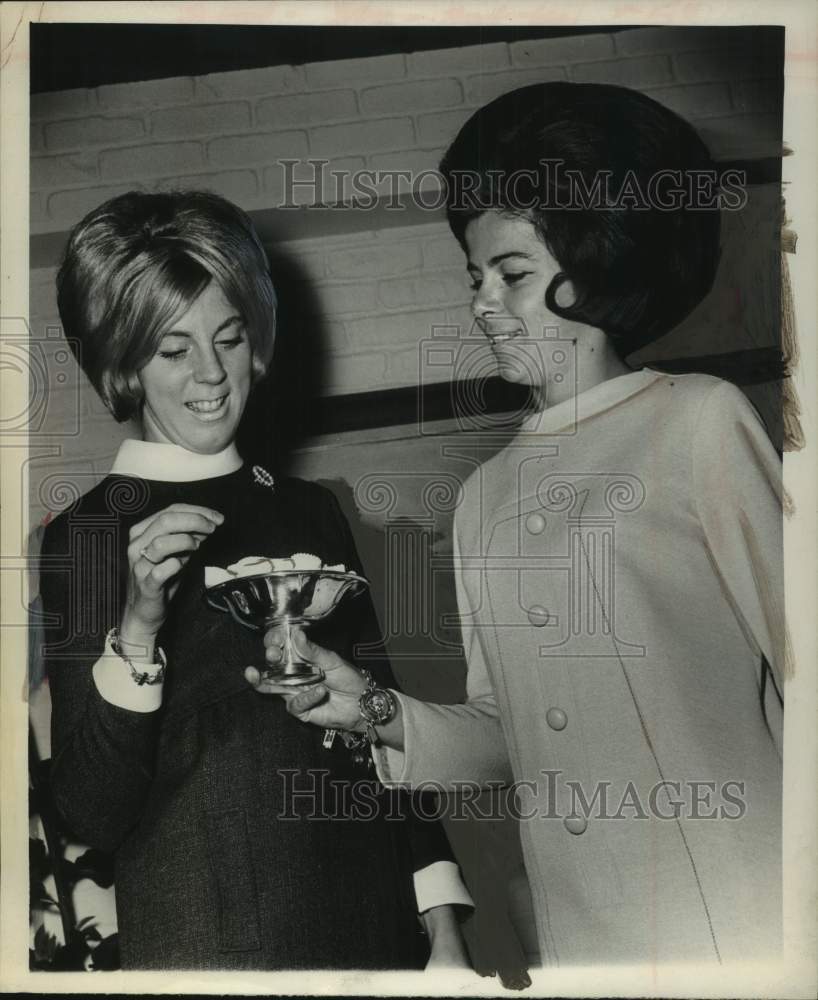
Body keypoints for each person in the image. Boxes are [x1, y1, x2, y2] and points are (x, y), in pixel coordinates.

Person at [264, 83, 786, 966]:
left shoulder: (699, 420)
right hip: (588, 939)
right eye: (475, 277)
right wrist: (372, 707)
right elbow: (509, 734)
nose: (481, 303)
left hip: (746, 912)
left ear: (595, 267)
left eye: (512, 273)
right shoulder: (485, 495)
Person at [39, 190, 472, 970]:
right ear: (122, 365)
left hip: (376, 929)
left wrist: (442, 920)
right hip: (213, 943)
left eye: (230, 338)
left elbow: (381, 717)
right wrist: (139, 626)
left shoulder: (312, 512)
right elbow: (90, 812)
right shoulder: (90, 534)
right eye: (174, 351)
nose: (211, 374)